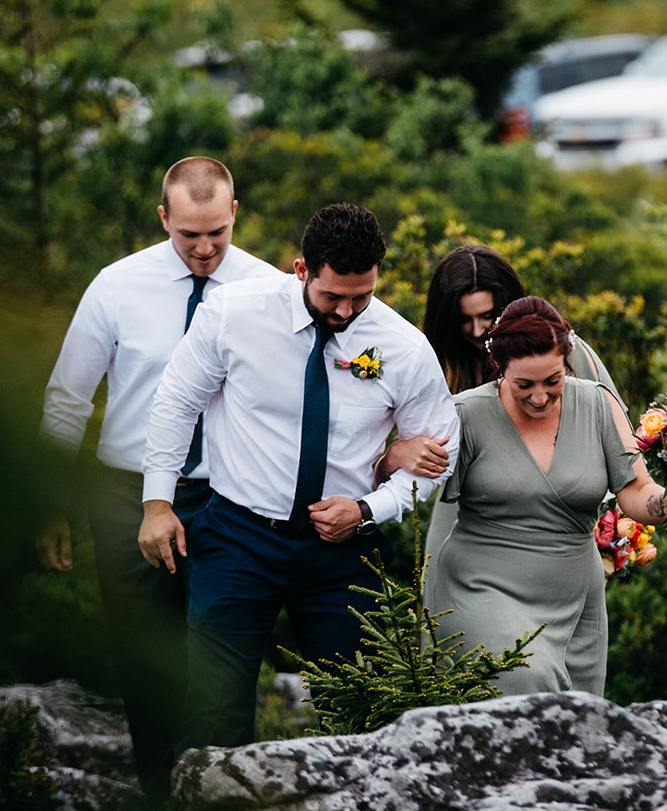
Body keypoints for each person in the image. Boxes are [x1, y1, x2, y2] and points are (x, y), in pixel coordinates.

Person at [138, 202, 460, 748]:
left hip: (341, 551)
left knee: (356, 708)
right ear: (301, 269)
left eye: (362, 295)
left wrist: (368, 510)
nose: (346, 310)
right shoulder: (233, 313)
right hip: (236, 535)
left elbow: (437, 457)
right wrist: (157, 503)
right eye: (332, 296)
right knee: (214, 706)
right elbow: (176, 401)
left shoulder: (403, 347)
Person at [36, 156, 279, 800]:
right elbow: (67, 397)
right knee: (144, 659)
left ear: (235, 215)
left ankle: (227, 794)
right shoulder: (116, 286)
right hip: (123, 494)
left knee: (222, 663)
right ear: (164, 217)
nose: (203, 249)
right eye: (187, 235)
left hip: (228, 498)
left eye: (216, 234)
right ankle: (158, 794)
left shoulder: (269, 289)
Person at [424, 296, 667, 696]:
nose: (539, 396)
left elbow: (635, 489)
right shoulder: (466, 415)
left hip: (576, 602)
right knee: (527, 678)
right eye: (524, 384)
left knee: (578, 722)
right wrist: (391, 460)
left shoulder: (598, 403)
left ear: (567, 362)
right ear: (499, 369)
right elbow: (410, 484)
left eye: (553, 382)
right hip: (482, 589)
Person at [381, 244, 625, 557]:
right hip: (468, 521)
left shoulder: (566, 353)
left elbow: (618, 445)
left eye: (487, 316)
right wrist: (395, 454)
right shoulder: (440, 364)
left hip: (561, 523)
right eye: (464, 319)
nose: (478, 330)